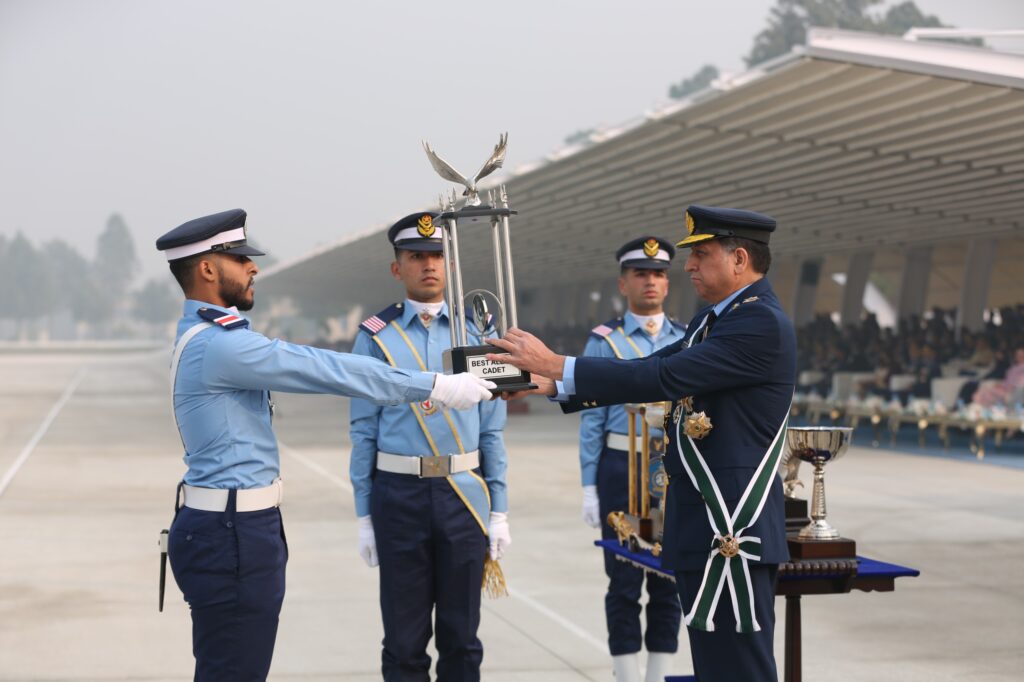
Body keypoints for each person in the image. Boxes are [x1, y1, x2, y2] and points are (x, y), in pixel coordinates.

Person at [157, 208, 495, 682]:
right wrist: (435, 384)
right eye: (241, 259)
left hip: (233, 525)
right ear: (208, 269)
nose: (254, 268)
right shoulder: (220, 345)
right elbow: (326, 368)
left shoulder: (212, 337)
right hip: (230, 532)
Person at [490, 204, 796, 682]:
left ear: (739, 259)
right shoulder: (715, 319)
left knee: (739, 670)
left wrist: (556, 363)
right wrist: (554, 384)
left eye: (701, 254)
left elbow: (662, 375)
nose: (688, 266)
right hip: (704, 525)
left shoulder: (758, 322)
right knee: (715, 667)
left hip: (732, 527)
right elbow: (649, 368)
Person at [349, 212, 511, 682]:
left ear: (451, 264)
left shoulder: (478, 333)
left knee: (462, 639)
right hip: (398, 495)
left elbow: (492, 431)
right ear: (396, 268)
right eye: (416, 256)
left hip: (464, 493)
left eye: (437, 256)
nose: (429, 265)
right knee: (403, 643)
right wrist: (364, 515)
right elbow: (362, 431)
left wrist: (499, 509)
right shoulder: (375, 337)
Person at [578, 236, 685, 682]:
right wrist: (589, 485)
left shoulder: (687, 338)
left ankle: (658, 675)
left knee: (669, 580)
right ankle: (626, 675)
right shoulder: (604, 341)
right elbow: (591, 419)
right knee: (623, 581)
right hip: (621, 470)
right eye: (641, 273)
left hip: (673, 471)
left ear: (668, 283)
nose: (651, 281)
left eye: (658, 273)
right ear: (623, 283)